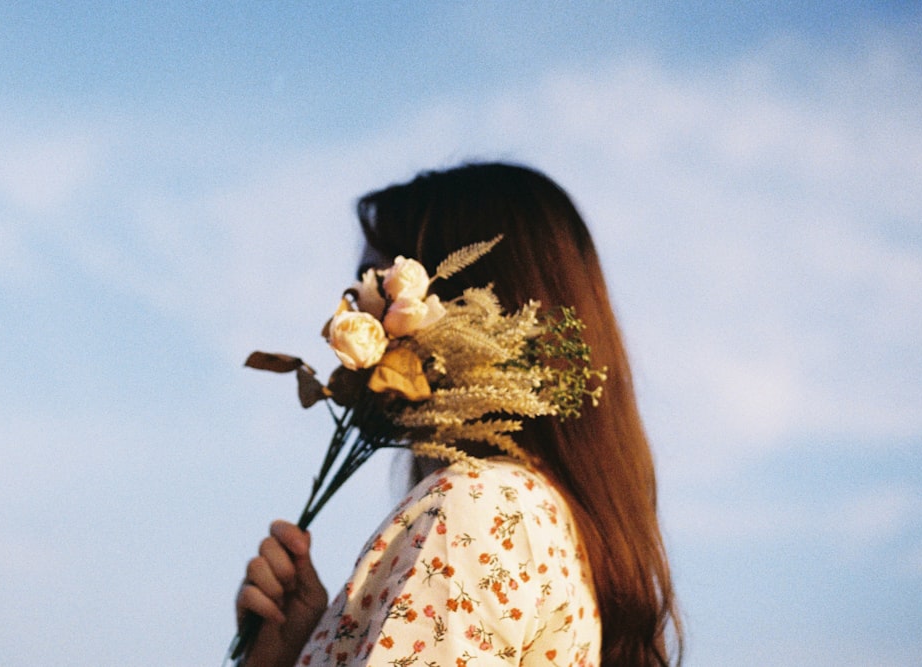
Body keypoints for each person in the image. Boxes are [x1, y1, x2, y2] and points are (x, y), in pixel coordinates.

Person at [234, 162, 683, 666]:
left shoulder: (474, 509)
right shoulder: (536, 518)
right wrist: (295, 649)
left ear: (459, 309)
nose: (353, 314)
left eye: (374, 290)